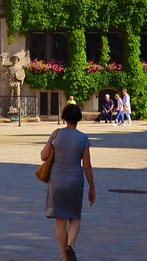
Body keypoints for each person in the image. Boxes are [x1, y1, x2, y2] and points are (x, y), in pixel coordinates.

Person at [42, 103, 95, 261]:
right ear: (79, 119)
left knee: (60, 221)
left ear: (64, 117)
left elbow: (44, 156)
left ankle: (65, 258)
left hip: (57, 180)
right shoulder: (83, 138)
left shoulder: (56, 134)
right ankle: (70, 246)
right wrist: (92, 187)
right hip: (75, 180)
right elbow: (87, 165)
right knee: (75, 218)